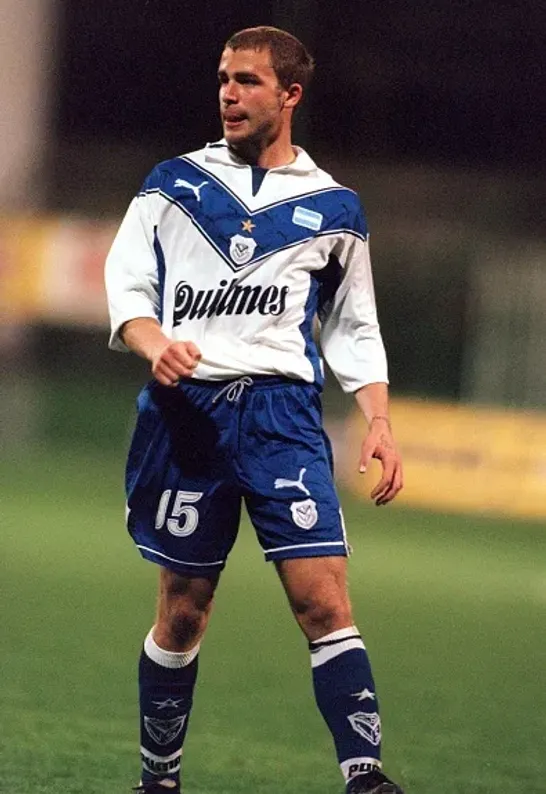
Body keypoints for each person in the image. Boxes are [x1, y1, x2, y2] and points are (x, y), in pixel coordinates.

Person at [105, 26, 404, 794]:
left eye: (247, 81)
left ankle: (364, 776)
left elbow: (354, 325)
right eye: (223, 80)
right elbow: (130, 289)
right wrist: (152, 344)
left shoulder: (335, 208)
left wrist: (377, 417)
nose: (229, 94)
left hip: (282, 417)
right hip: (188, 414)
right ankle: (158, 779)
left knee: (323, 599)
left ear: (290, 94)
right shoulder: (173, 185)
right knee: (182, 613)